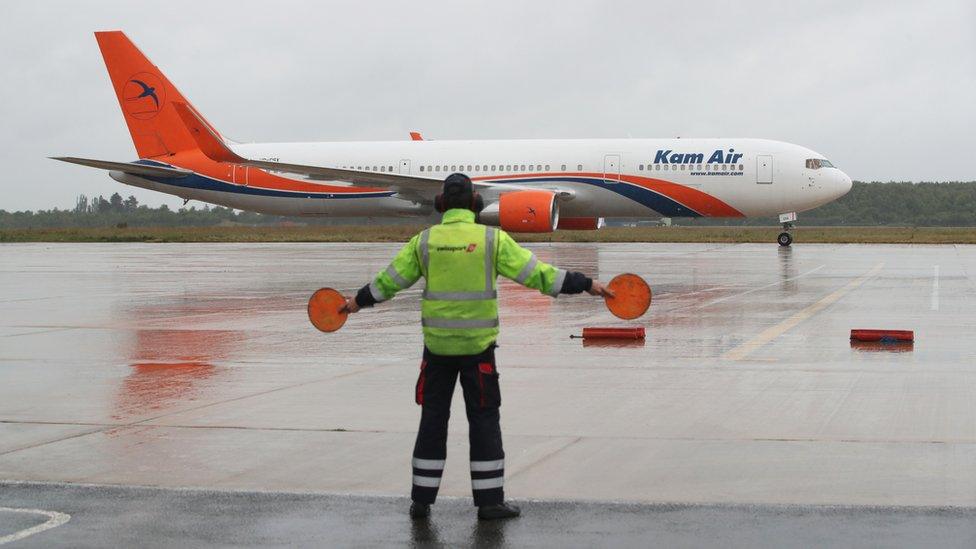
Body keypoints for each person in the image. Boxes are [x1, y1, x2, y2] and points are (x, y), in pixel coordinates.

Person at [341, 173, 613, 520]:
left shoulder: (424, 242)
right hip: (478, 352)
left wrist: (355, 302)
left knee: (432, 422)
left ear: (441, 204)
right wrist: (587, 284)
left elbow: (388, 282)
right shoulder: (491, 239)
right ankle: (489, 503)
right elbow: (539, 275)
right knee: (484, 422)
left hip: (436, 351)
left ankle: (421, 502)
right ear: (475, 203)